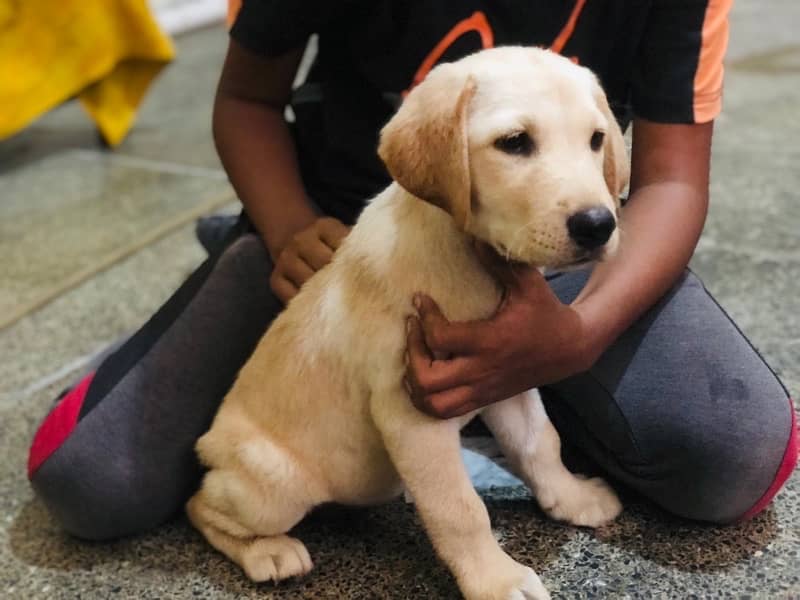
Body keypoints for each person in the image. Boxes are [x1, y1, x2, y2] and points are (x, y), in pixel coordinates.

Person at [27, 0, 796, 541]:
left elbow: (671, 181)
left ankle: (498, 406)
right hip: (337, 234)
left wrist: (578, 336)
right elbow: (246, 100)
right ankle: (272, 302)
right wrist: (290, 225)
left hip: (562, 246)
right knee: (90, 482)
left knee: (732, 461)